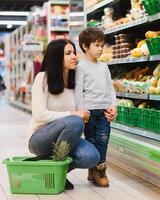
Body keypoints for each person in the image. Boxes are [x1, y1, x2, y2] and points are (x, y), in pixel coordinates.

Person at [27, 39, 101, 190]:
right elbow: (39, 114)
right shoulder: (42, 78)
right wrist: (73, 114)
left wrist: (106, 108)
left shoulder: (76, 82)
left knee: (92, 157)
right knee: (74, 121)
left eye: (74, 52)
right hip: (40, 138)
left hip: (67, 138)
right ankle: (55, 171)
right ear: (56, 57)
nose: (74, 56)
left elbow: (84, 108)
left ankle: (52, 171)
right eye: (68, 53)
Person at [75, 27, 117, 187]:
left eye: (102, 45)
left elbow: (110, 88)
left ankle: (101, 170)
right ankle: (93, 170)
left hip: (104, 111)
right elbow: (78, 92)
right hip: (89, 112)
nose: (100, 49)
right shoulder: (81, 67)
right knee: (92, 140)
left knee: (103, 139)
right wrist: (82, 111)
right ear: (85, 46)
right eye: (97, 45)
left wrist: (113, 106)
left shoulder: (104, 67)